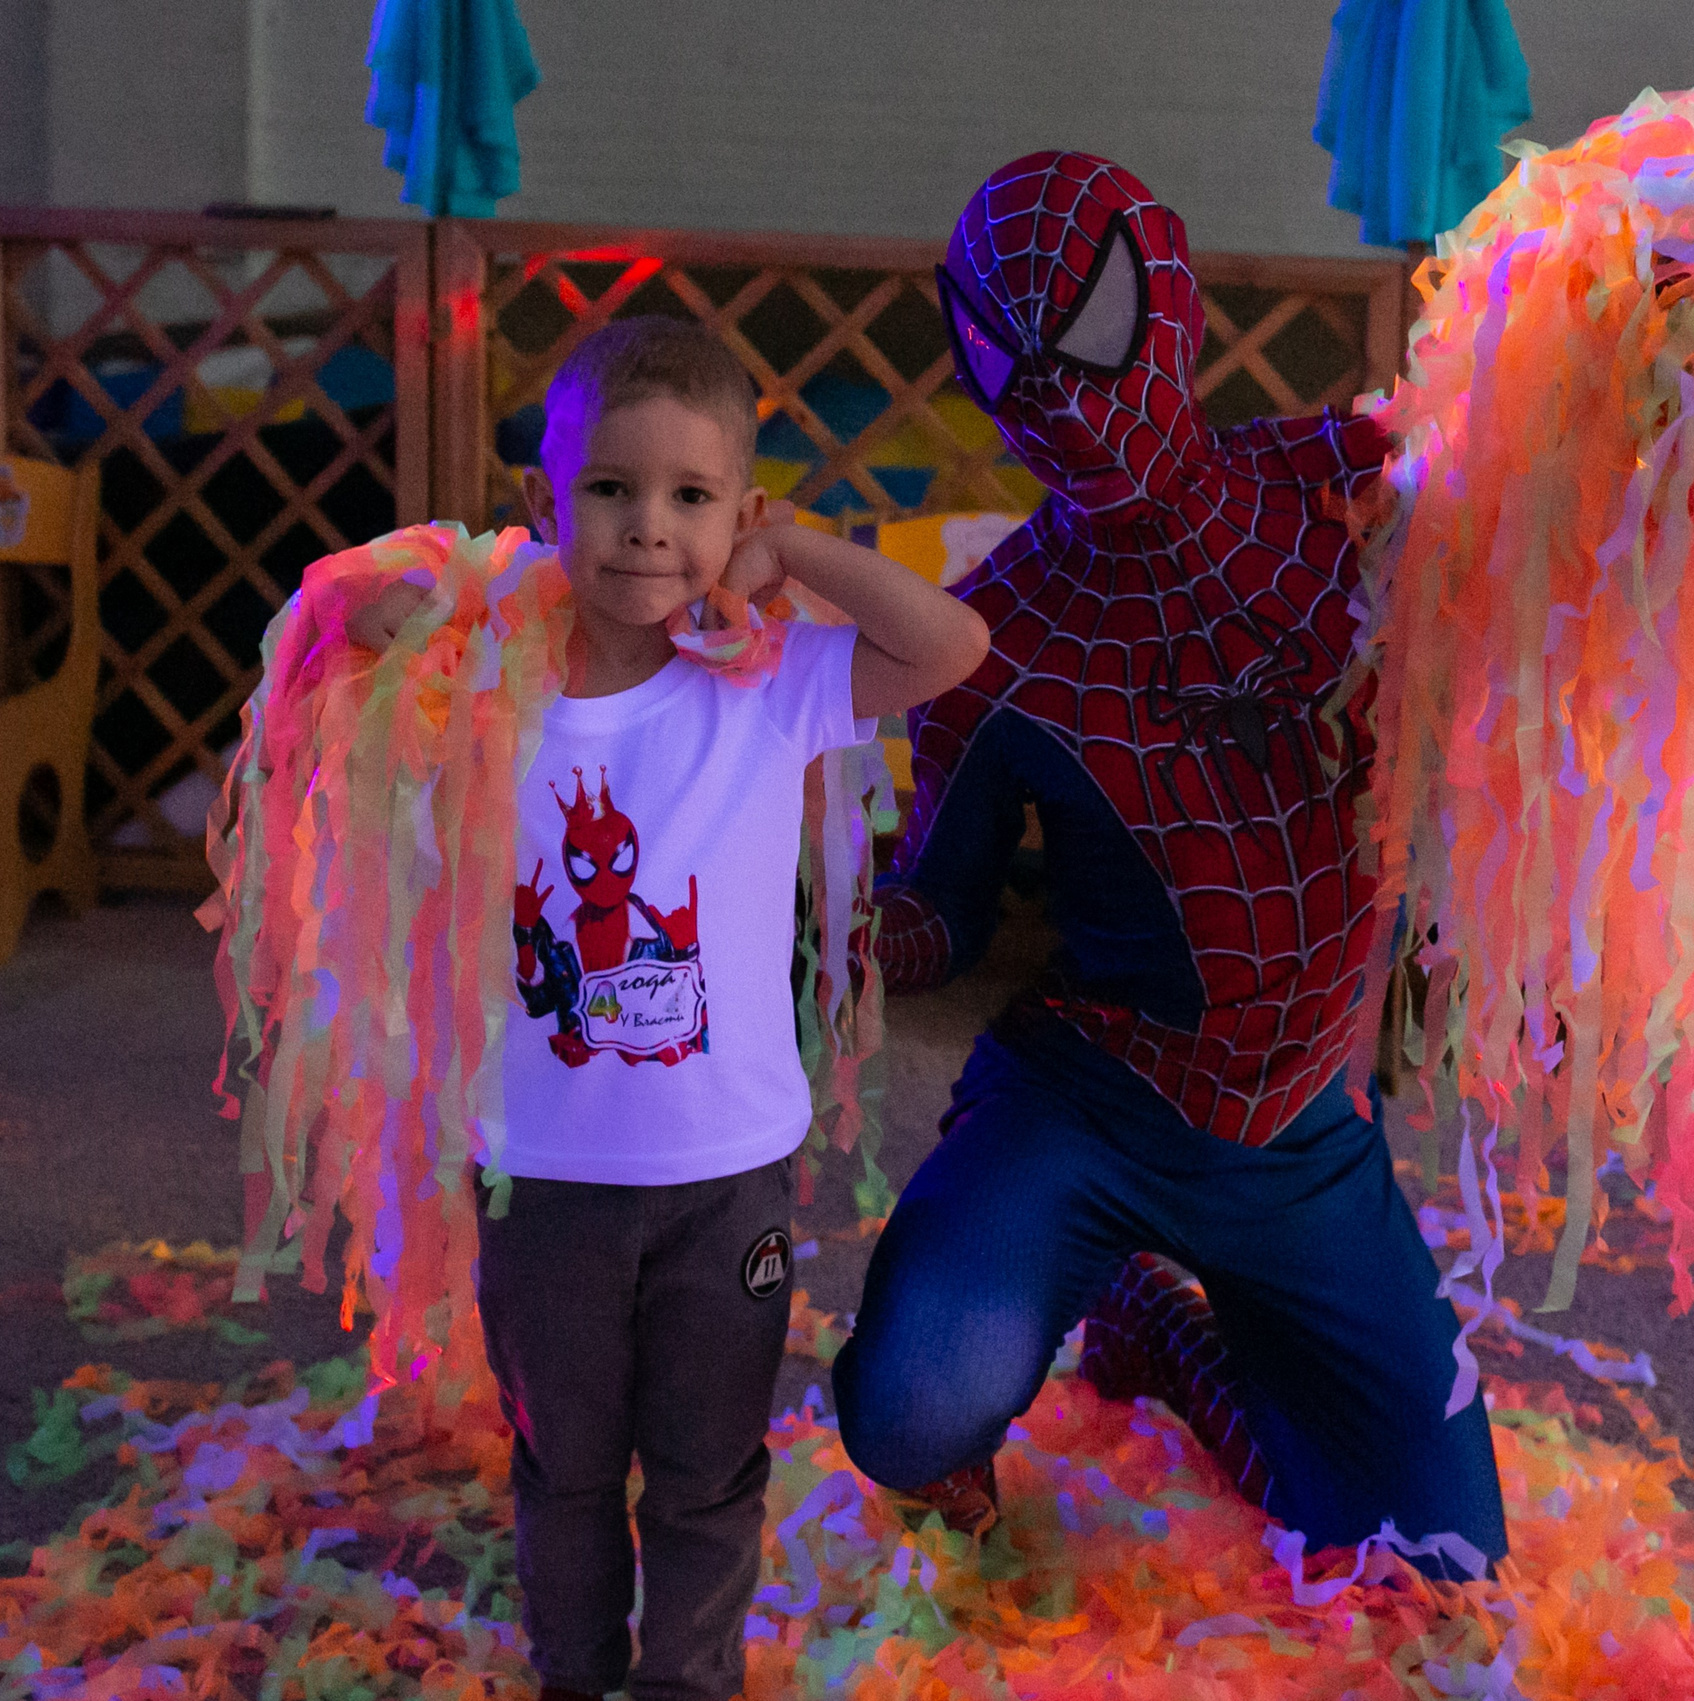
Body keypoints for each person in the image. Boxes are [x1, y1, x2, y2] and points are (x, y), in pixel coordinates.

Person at [829, 153, 1510, 1573]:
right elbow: (940, 910)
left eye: (1090, 337)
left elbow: (1553, 489)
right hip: (1094, 1100)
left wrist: (1654, 370)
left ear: (1174, 302)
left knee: (1435, 1549)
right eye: (1013, 364)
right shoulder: (993, 633)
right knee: (903, 1410)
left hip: (1303, 1129)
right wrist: (838, 932)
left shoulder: (1353, 489)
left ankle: (1164, 1327)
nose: (1065, 401)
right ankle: (1079, 1284)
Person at [343, 317, 988, 1701]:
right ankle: (576, 1675)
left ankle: (686, 1685)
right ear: (544, 501)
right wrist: (489, 585)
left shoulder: (763, 684)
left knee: (708, 1473)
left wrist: (794, 550)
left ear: (738, 512)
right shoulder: (486, 682)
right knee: (564, 1468)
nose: (648, 529)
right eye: (609, 491)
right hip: (543, 1177)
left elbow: (949, 643)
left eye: (692, 498)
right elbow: (347, 618)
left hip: (726, 1185)